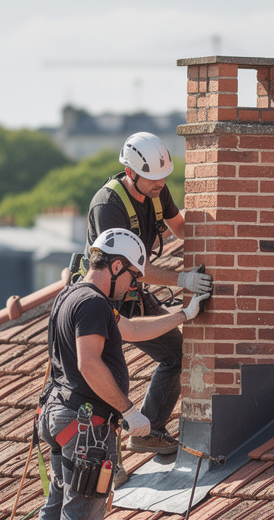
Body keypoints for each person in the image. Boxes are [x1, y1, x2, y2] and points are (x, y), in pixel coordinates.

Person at [30, 228, 207, 520]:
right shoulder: (92, 305)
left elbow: (130, 330)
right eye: (131, 276)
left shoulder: (73, 296)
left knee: (56, 503)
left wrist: (183, 316)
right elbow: (90, 364)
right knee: (82, 512)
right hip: (86, 426)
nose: (132, 285)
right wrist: (129, 412)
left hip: (58, 418)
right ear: (114, 266)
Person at [84, 132, 214, 455]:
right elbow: (128, 266)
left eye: (163, 178)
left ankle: (148, 430)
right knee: (108, 379)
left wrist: (214, 243)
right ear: (130, 173)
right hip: (101, 299)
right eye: (152, 179)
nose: (160, 185)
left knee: (177, 354)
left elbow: (181, 228)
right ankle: (103, 458)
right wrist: (182, 279)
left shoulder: (156, 191)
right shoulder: (108, 205)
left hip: (131, 293)